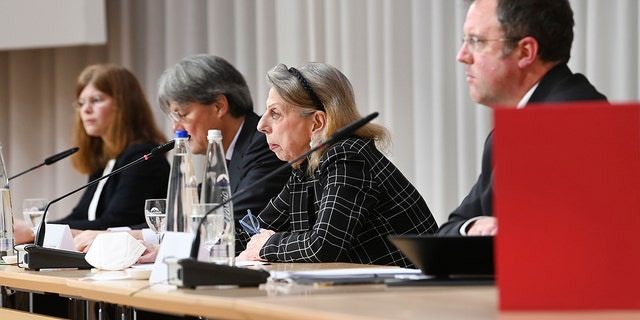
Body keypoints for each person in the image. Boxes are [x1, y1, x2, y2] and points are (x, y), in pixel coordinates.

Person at [73, 54, 289, 254]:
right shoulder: (223, 154)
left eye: (182, 115)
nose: (177, 129)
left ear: (218, 106)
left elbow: (228, 223)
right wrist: (117, 235)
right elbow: (186, 220)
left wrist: (125, 236)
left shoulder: (263, 144)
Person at [237, 62, 438, 268]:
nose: (261, 125)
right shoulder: (306, 169)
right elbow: (251, 234)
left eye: (275, 113)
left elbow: (324, 244)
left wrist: (268, 244)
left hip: (415, 294)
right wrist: (211, 244)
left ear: (317, 122)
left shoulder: (348, 157)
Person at [436, 0, 607, 236]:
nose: (462, 55)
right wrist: (474, 228)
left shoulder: (575, 119)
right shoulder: (514, 126)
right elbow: (448, 231)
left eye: (476, 41)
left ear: (525, 52)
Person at [14, 64, 170, 245]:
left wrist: (36, 231)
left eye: (96, 100)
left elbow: (113, 224)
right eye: (81, 103)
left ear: (124, 105)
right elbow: (81, 215)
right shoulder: (106, 158)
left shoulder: (144, 158)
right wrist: (36, 229)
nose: (85, 110)